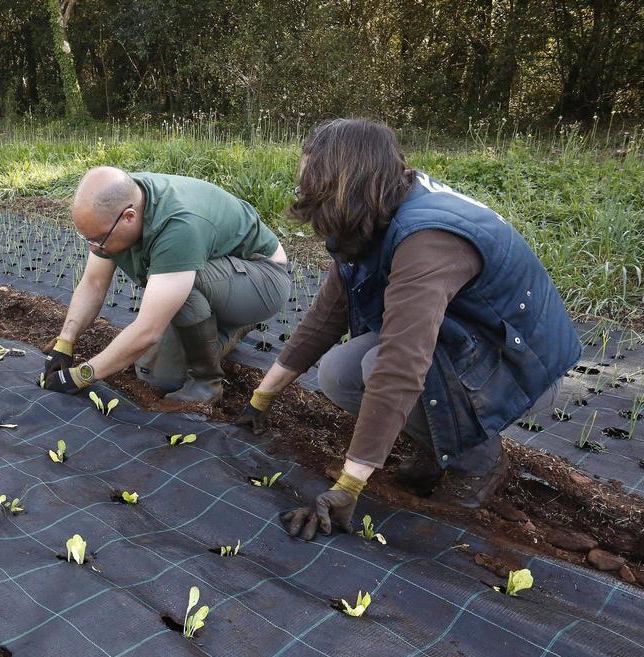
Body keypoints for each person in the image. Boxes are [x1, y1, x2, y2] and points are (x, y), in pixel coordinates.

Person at [238, 118, 580, 540]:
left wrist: (348, 486)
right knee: (340, 372)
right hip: (467, 340)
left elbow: (402, 363)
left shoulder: (427, 240)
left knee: (377, 366)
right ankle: (439, 444)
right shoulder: (377, 212)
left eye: (311, 184)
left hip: (519, 364)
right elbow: (326, 318)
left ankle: (476, 460)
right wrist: (260, 399)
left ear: (344, 186)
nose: (304, 193)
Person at [41, 167, 291, 404]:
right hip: (219, 273)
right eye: (87, 239)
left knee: (182, 284)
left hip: (262, 278)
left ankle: (207, 383)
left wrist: (81, 376)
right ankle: (223, 327)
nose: (93, 248)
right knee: (159, 375)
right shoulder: (115, 204)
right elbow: (94, 283)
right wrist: (66, 342)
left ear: (129, 217)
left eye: (98, 239)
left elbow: (148, 330)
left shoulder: (177, 227)